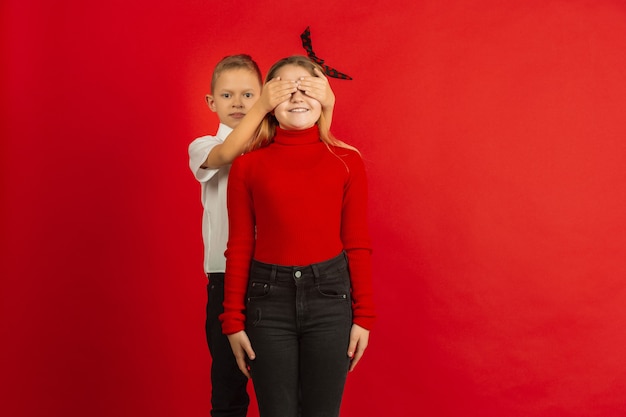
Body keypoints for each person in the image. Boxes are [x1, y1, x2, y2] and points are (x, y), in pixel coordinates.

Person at [221, 55, 375, 417]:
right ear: (268, 105)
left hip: (329, 299)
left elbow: (356, 241)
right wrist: (232, 320)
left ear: (323, 98)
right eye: (285, 90)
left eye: (307, 87)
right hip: (267, 302)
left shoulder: (346, 161)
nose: (297, 96)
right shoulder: (247, 166)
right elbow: (240, 244)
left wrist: (364, 316)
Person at [188, 54, 336, 417]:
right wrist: (264, 106)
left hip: (275, 278)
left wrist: (327, 103)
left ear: (265, 95)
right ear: (211, 102)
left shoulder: (274, 144)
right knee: (229, 382)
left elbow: (321, 150)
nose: (238, 103)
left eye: (249, 95)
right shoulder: (202, 146)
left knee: (289, 387)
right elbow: (228, 152)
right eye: (227, 96)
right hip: (226, 278)